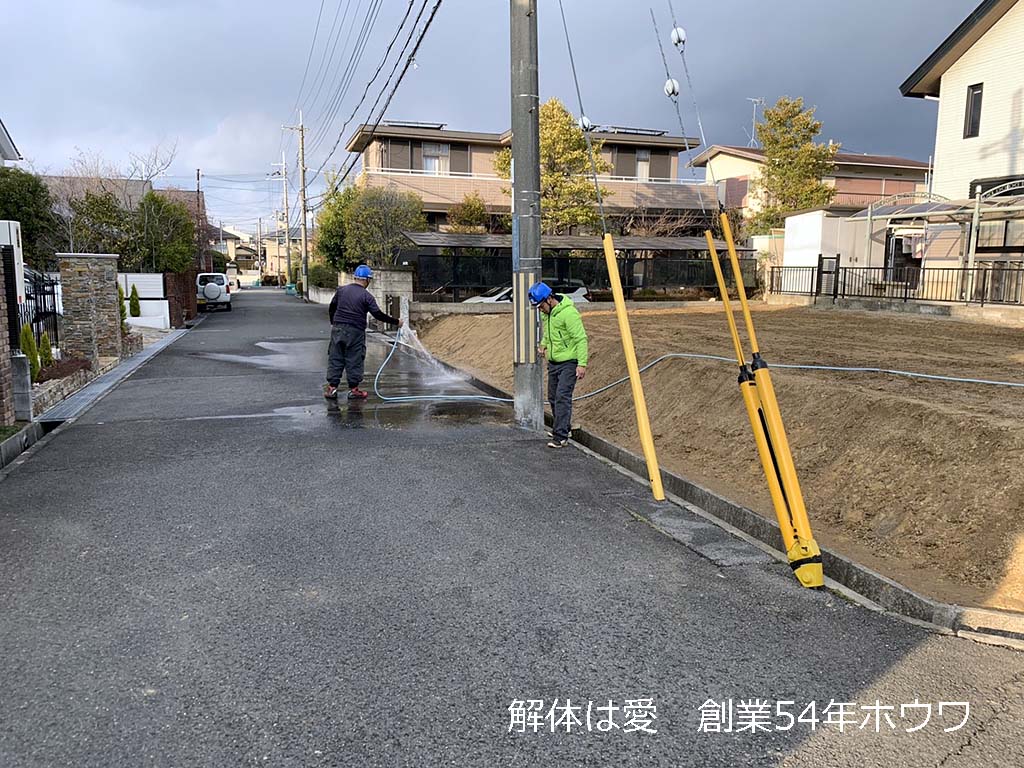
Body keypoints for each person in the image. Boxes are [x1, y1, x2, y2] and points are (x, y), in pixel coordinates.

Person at [324, 265, 403, 400]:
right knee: (354, 358)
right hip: (355, 331)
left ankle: (332, 388)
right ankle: (354, 390)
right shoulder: (367, 296)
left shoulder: (341, 290)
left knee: (335, 357)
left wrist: (333, 322)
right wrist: (396, 322)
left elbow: (332, 307)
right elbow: (377, 314)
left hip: (338, 328)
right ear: (367, 280)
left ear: (355, 277)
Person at [530, 281, 588, 449]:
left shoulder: (568, 314)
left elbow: (581, 339)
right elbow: (548, 333)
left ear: (549, 299)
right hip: (554, 362)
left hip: (569, 362)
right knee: (553, 397)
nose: (539, 309)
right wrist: (543, 345)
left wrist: (582, 364)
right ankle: (563, 428)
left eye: (540, 306)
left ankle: (561, 436)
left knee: (562, 397)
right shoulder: (547, 314)